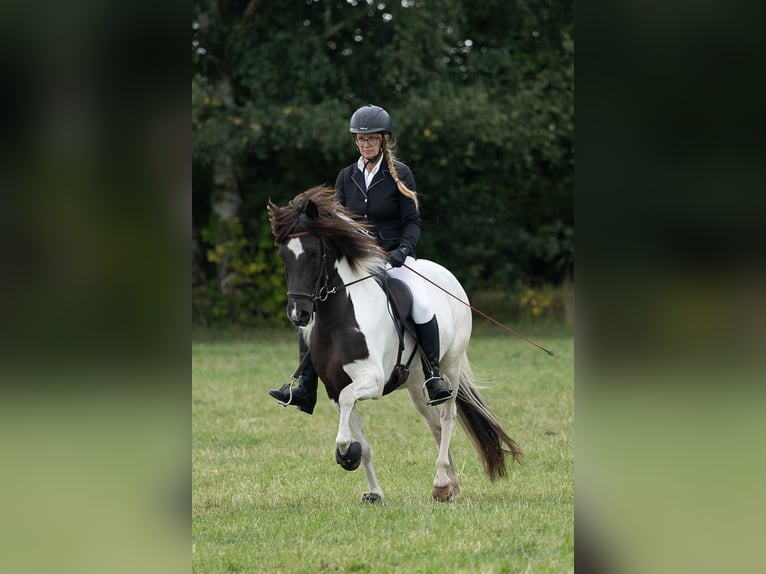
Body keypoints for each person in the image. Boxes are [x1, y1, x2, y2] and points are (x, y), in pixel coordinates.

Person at [269, 104, 452, 413]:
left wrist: (403, 250)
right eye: (360, 139)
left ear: (383, 140)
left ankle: (433, 376)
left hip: (395, 257)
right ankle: (305, 386)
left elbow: (412, 222)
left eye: (372, 139)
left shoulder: (400, 173)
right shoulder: (347, 176)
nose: (366, 144)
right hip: (359, 261)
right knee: (314, 313)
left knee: (420, 302)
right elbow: (339, 221)